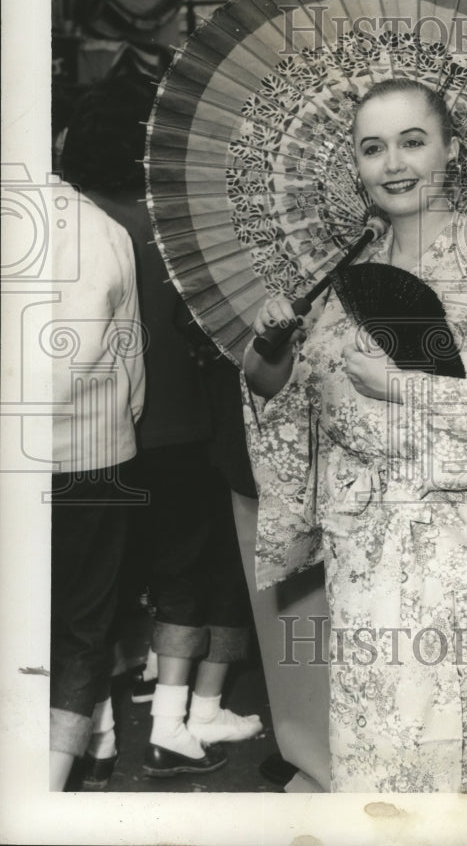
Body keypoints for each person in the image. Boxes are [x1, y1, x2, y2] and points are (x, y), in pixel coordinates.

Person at [243, 78, 467, 793]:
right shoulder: (346, 273)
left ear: (451, 149)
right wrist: (270, 348)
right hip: (368, 555)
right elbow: (294, 404)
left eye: (411, 142)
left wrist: (404, 386)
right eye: (372, 147)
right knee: (377, 747)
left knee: (461, 753)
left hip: (466, 551)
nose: (392, 163)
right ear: (354, 165)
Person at [61, 76, 262, 781]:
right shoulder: (175, 219)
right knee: (198, 573)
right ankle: (179, 721)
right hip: (185, 428)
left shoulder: (74, 215)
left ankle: (99, 732)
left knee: (102, 591)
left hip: (99, 437)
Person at [49, 176, 145, 791]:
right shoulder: (103, 228)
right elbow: (130, 360)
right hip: (95, 453)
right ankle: (54, 780)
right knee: (85, 620)